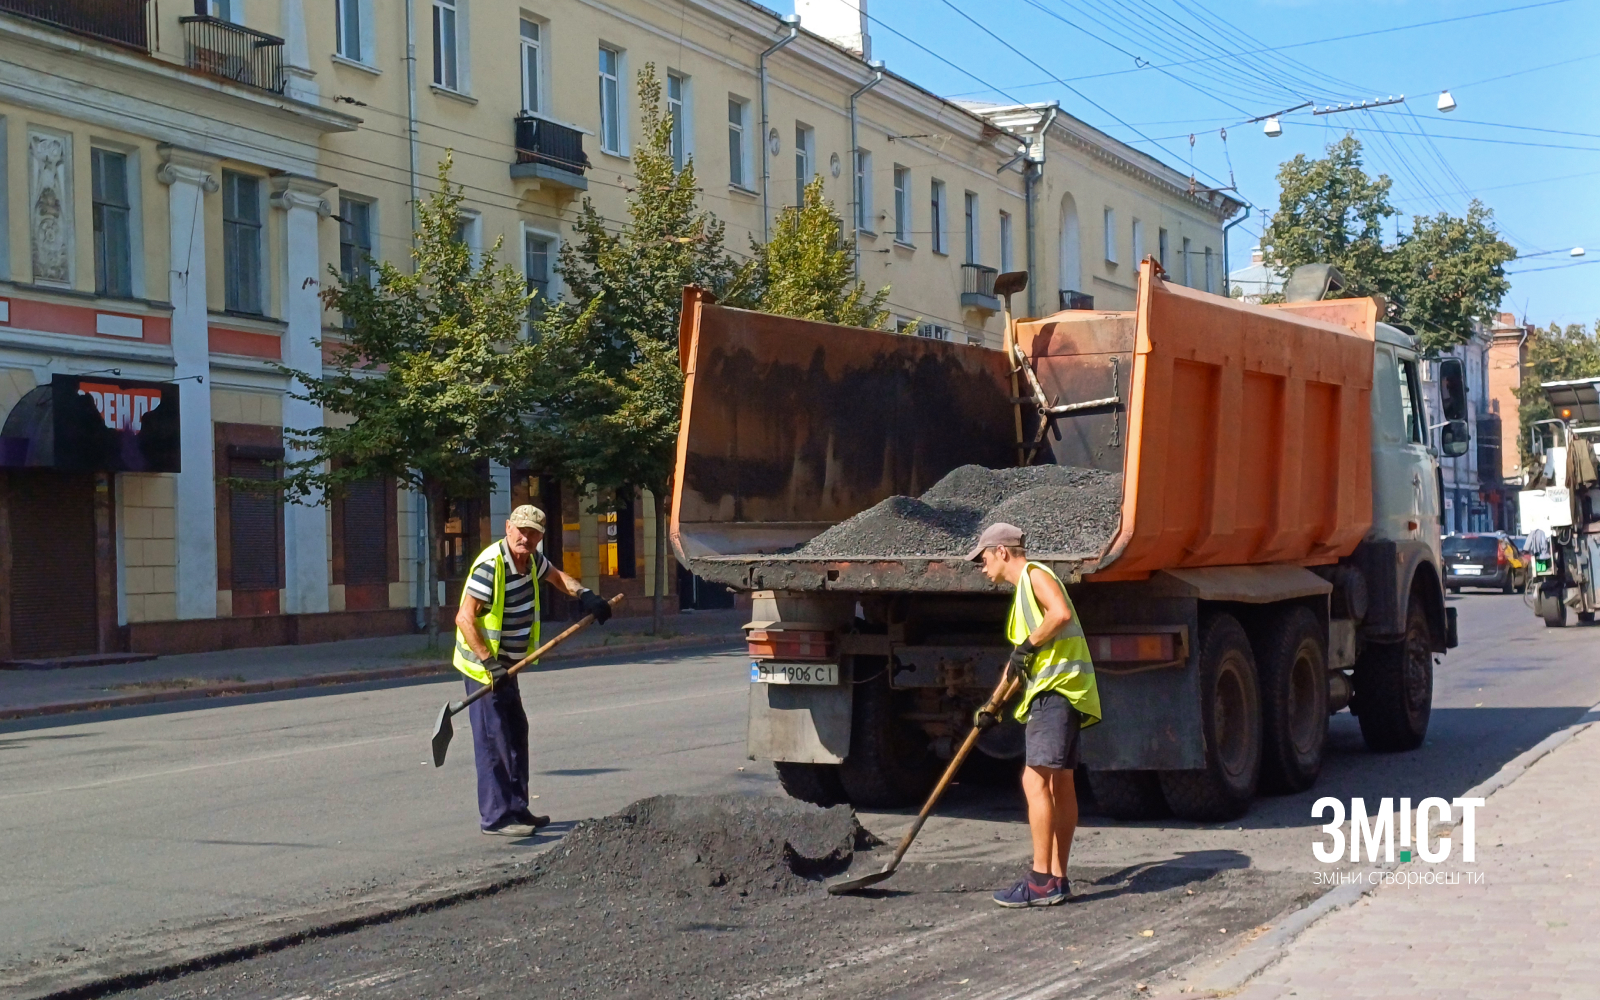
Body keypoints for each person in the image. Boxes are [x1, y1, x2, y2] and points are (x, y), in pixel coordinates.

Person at [453, 504, 613, 837]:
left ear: (540, 536)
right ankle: (496, 818)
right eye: (521, 531)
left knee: (515, 735)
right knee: (493, 739)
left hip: (508, 666)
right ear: (508, 527)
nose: (525, 538)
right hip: (485, 668)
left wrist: (585, 595)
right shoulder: (490, 566)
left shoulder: (532, 561)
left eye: (533, 533)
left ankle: (517, 808)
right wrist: (488, 663)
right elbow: (464, 618)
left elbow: (557, 577)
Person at [967, 522, 1102, 907]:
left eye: (983, 557)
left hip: (1056, 694)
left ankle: (1041, 879)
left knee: (1034, 779)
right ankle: (1057, 879)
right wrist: (991, 708)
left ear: (1002, 552)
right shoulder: (1023, 595)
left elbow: (1058, 613)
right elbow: (1018, 663)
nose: (981, 566)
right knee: (1060, 783)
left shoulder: (1035, 573)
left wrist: (1027, 645)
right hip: (1063, 693)